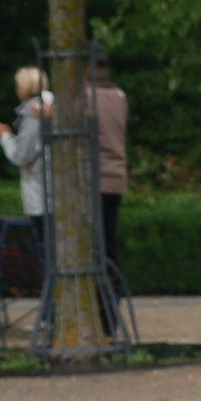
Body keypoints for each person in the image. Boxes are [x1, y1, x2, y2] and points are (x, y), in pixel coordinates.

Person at [0, 66, 51, 235]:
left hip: (40, 197)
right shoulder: (55, 106)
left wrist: (5, 136)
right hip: (61, 195)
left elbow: (21, 156)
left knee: (44, 250)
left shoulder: (32, 111)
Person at [92, 49, 128, 269]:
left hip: (95, 176)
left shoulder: (85, 95)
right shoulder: (119, 95)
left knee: (95, 244)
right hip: (117, 175)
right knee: (109, 240)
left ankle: (103, 294)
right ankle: (112, 293)